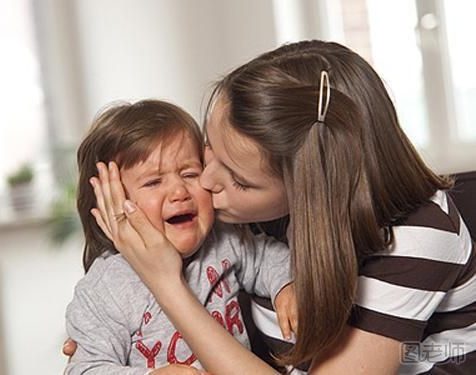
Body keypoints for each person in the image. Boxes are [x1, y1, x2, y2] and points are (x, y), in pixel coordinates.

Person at [68, 40, 476, 374]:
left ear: (308, 188)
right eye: (209, 154)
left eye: (238, 179)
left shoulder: (417, 236)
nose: (205, 184)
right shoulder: (251, 218)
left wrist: (164, 283)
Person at [65, 99, 297, 375]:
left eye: (190, 174)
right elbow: (84, 370)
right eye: (153, 182)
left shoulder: (224, 243)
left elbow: (265, 256)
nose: (179, 191)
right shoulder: (106, 289)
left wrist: (286, 284)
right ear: (110, 204)